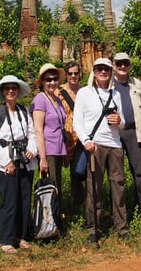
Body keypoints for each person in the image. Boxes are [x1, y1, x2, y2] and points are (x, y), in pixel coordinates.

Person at [73, 58, 129, 243]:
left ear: (111, 72)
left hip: (115, 145)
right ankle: (93, 227)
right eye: (99, 69)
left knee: (118, 186)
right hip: (94, 145)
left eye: (106, 69)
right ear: (94, 71)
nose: (103, 72)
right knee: (94, 188)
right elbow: (77, 122)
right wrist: (86, 140)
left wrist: (118, 121)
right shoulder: (84, 93)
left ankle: (121, 226)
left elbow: (122, 123)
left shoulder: (116, 94)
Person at [0, 75, 37, 254]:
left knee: (24, 199)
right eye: (7, 88)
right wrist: (6, 162)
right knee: (9, 201)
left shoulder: (24, 111)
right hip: (5, 163)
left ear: (18, 91)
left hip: (25, 162)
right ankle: (6, 240)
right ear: (2, 92)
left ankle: (21, 236)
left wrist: (32, 149)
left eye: (13, 88)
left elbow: (32, 133)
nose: (10, 91)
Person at [113, 52, 141, 214]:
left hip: (134, 131)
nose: (122, 67)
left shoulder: (136, 84)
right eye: (119, 63)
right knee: (117, 175)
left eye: (126, 63)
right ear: (114, 65)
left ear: (129, 65)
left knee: (139, 172)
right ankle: (120, 212)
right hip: (115, 133)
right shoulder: (108, 84)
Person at [32, 63, 67, 199]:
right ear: (42, 82)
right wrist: (43, 158)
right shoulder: (40, 100)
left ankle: (57, 217)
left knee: (57, 186)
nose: (52, 82)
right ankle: (49, 219)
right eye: (48, 79)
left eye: (55, 79)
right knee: (51, 189)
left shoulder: (57, 100)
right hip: (48, 150)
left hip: (58, 149)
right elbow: (38, 130)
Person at [56, 61, 86, 216]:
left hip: (81, 138)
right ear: (66, 75)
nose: (73, 76)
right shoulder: (59, 93)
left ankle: (80, 206)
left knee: (79, 172)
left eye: (76, 73)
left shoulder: (85, 91)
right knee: (58, 173)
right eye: (70, 73)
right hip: (64, 138)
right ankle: (58, 208)